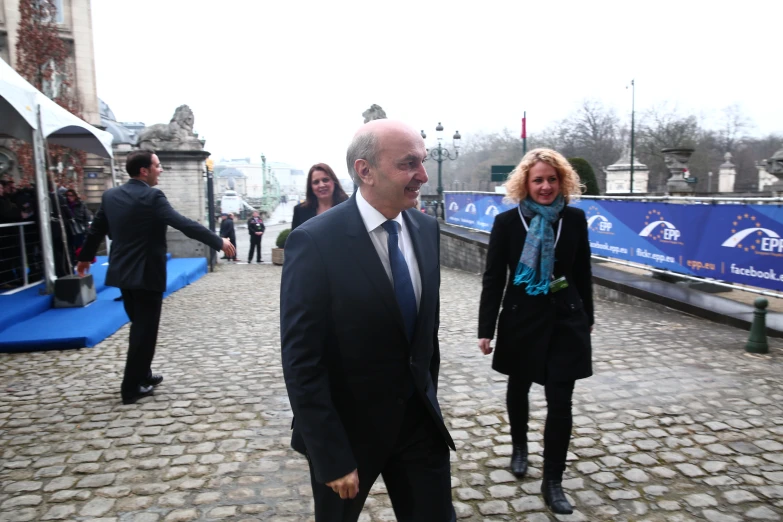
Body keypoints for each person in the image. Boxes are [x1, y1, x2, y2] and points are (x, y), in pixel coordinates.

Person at [281, 120, 456, 522]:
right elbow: (302, 361)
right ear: (365, 171)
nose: (423, 176)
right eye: (408, 164)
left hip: (418, 427)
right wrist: (331, 455)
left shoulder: (427, 229)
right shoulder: (314, 242)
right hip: (349, 435)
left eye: (423, 162)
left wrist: (426, 395)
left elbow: (425, 335)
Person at [477, 148, 593, 515]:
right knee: (519, 385)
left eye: (552, 179)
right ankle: (520, 447)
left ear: (563, 182)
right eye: (538, 179)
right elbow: (494, 278)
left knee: (561, 401)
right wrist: (486, 328)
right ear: (525, 183)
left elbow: (582, 271)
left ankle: (553, 480)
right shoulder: (508, 223)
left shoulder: (574, 219)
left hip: (564, 321)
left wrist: (587, 317)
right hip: (521, 318)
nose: (545, 186)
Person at [76, 150, 235, 405]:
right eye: (158, 166)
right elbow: (182, 223)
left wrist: (84, 258)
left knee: (141, 325)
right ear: (144, 171)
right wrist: (218, 240)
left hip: (122, 274)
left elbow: (96, 231)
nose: (161, 170)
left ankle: (144, 374)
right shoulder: (152, 196)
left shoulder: (110, 196)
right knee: (144, 331)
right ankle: (130, 387)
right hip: (146, 274)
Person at [291, 163, 349, 231]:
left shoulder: (348, 207)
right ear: (311, 187)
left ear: (334, 182)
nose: (321, 185)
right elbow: (296, 240)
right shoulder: (300, 211)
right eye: (316, 182)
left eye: (325, 180)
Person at [64, 189, 92, 262]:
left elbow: (87, 217)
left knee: (79, 247)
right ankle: (72, 261)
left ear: (75, 196)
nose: (69, 197)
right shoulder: (65, 205)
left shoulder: (81, 204)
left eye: (71, 195)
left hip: (79, 229)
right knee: (70, 247)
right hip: (69, 229)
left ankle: (79, 260)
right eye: (67, 195)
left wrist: (86, 228)